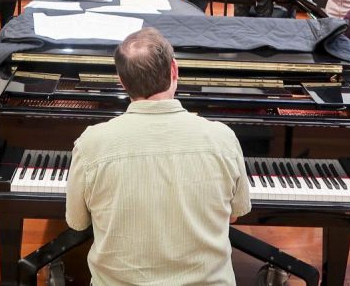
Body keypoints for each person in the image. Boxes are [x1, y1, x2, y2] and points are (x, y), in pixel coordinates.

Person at [66, 28, 251, 285]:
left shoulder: (90, 144)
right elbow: (234, 214)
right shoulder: (223, 138)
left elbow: (77, 222)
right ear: (174, 70)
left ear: (122, 82)